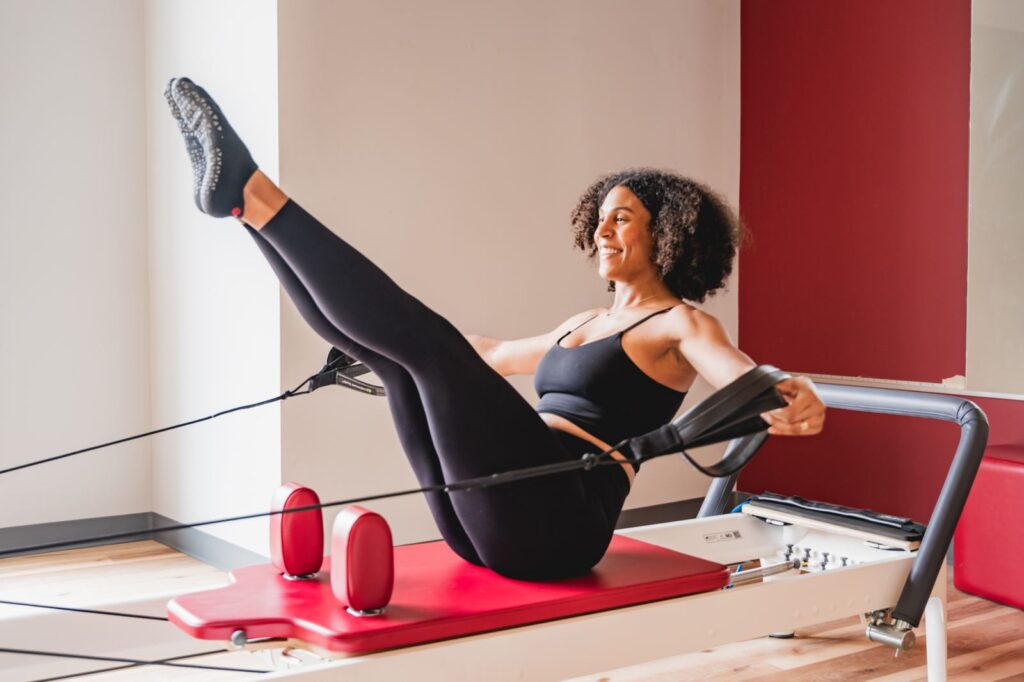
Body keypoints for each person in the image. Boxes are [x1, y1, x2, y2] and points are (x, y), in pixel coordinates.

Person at [165, 77, 826, 580]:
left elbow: (740, 376)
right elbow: (492, 354)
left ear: (669, 234)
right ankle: (244, 212)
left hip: (561, 519)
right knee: (400, 361)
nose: (601, 228)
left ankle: (253, 192)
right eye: (599, 217)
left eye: (622, 218)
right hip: (493, 512)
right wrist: (366, 342)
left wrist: (789, 394)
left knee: (425, 348)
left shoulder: (681, 323)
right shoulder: (584, 322)